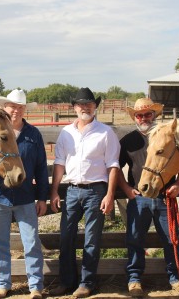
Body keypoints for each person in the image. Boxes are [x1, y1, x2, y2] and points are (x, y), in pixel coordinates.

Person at [49, 87, 120, 298]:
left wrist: (109, 195)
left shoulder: (106, 132)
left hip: (95, 191)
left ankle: (87, 283)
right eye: (81, 104)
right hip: (71, 191)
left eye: (89, 104)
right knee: (66, 237)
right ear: (74, 108)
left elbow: (113, 166)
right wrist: (54, 191)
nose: (85, 107)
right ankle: (67, 282)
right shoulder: (66, 133)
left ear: (95, 106)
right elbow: (59, 164)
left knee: (92, 239)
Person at [118, 98, 179, 297]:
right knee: (134, 239)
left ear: (154, 115)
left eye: (147, 114)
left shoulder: (167, 136)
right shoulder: (128, 140)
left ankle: (176, 278)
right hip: (138, 197)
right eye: (139, 115)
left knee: (172, 240)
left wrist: (178, 184)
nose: (143, 118)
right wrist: (125, 188)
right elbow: (116, 167)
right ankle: (134, 280)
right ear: (135, 117)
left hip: (164, 196)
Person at [0, 89, 49, 299]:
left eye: (20, 107)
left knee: (31, 241)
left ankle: (35, 286)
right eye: (12, 106)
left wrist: (42, 197)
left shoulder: (33, 135)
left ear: (25, 110)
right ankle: (3, 284)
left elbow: (42, 167)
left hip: (25, 197)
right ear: (5, 107)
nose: (16, 110)